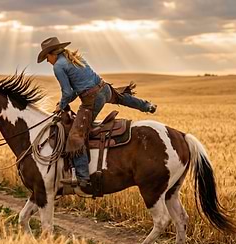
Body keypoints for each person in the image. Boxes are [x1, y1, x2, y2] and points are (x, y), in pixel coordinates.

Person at [37, 37, 157, 187]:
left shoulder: (58, 67)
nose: (48, 61)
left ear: (52, 54)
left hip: (92, 99)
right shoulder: (76, 58)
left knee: (76, 135)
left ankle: (83, 177)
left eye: (47, 58)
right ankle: (147, 106)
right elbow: (77, 89)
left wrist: (61, 106)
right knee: (122, 98)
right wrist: (63, 103)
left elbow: (67, 92)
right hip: (104, 88)